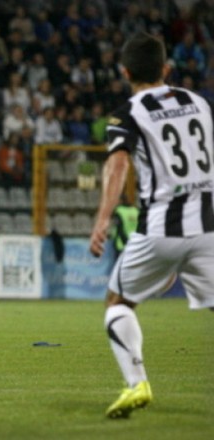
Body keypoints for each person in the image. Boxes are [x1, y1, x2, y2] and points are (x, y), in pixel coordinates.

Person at [89, 32, 214, 419]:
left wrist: (103, 219)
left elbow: (118, 164)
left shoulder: (127, 112)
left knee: (117, 303)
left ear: (125, 72)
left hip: (160, 229)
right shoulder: (200, 103)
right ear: (166, 68)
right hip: (209, 229)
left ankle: (137, 382)